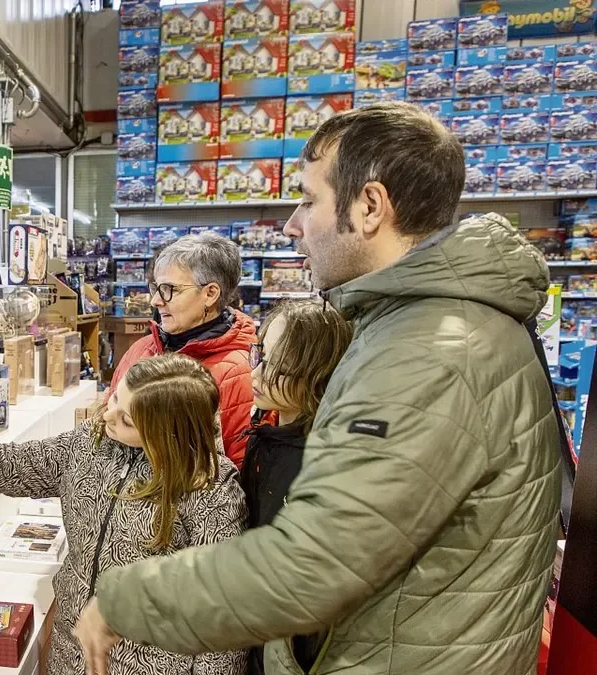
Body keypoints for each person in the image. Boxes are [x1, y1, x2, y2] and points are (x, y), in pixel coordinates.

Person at [74, 102, 562, 675]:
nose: (291, 224)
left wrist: (127, 600)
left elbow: (313, 563)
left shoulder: (429, 351)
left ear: (370, 206)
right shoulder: (419, 325)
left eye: (309, 199)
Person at [0, 353, 247, 675]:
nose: (107, 416)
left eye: (128, 419)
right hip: (72, 652)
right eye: (114, 399)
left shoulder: (211, 491)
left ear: (168, 432)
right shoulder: (89, 443)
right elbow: (8, 466)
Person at [242, 299, 352, 675]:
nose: (255, 373)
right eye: (259, 354)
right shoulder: (270, 436)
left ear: (316, 374)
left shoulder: (324, 467)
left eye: (272, 363)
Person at [109, 232, 256, 468]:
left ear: (210, 294)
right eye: (156, 288)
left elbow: (237, 471)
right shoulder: (141, 349)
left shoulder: (238, 373)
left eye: (169, 289)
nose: (155, 300)